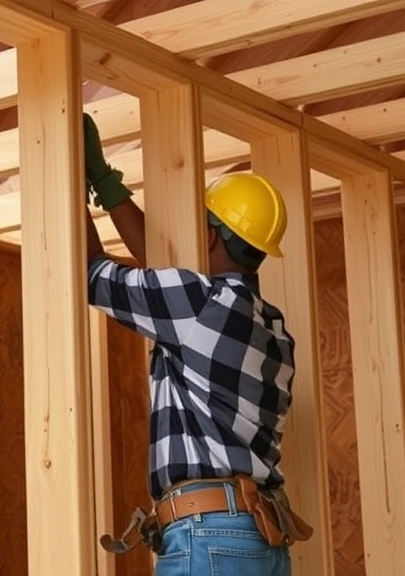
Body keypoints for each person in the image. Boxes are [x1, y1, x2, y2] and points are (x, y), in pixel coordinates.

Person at [80, 113, 312, 576]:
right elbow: (170, 277)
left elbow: (91, 273)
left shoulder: (198, 304)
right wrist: (104, 184)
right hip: (262, 539)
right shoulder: (274, 330)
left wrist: (71, 176)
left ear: (207, 234)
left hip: (210, 536)